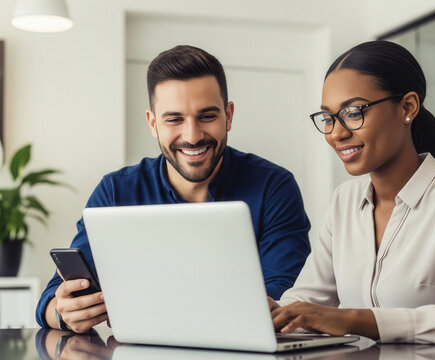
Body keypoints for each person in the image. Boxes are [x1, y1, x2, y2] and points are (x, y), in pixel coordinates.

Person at [37, 45, 312, 333]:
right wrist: (61, 312)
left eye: (207, 116)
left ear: (228, 115)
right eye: (174, 119)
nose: (192, 136)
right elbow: (54, 296)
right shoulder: (116, 191)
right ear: (153, 123)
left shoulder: (274, 187)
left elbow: (283, 293)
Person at [268, 40, 435, 354]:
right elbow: (305, 305)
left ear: (407, 107)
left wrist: (357, 319)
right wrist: (272, 312)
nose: (337, 133)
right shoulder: (344, 200)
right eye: (328, 118)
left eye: (353, 112)